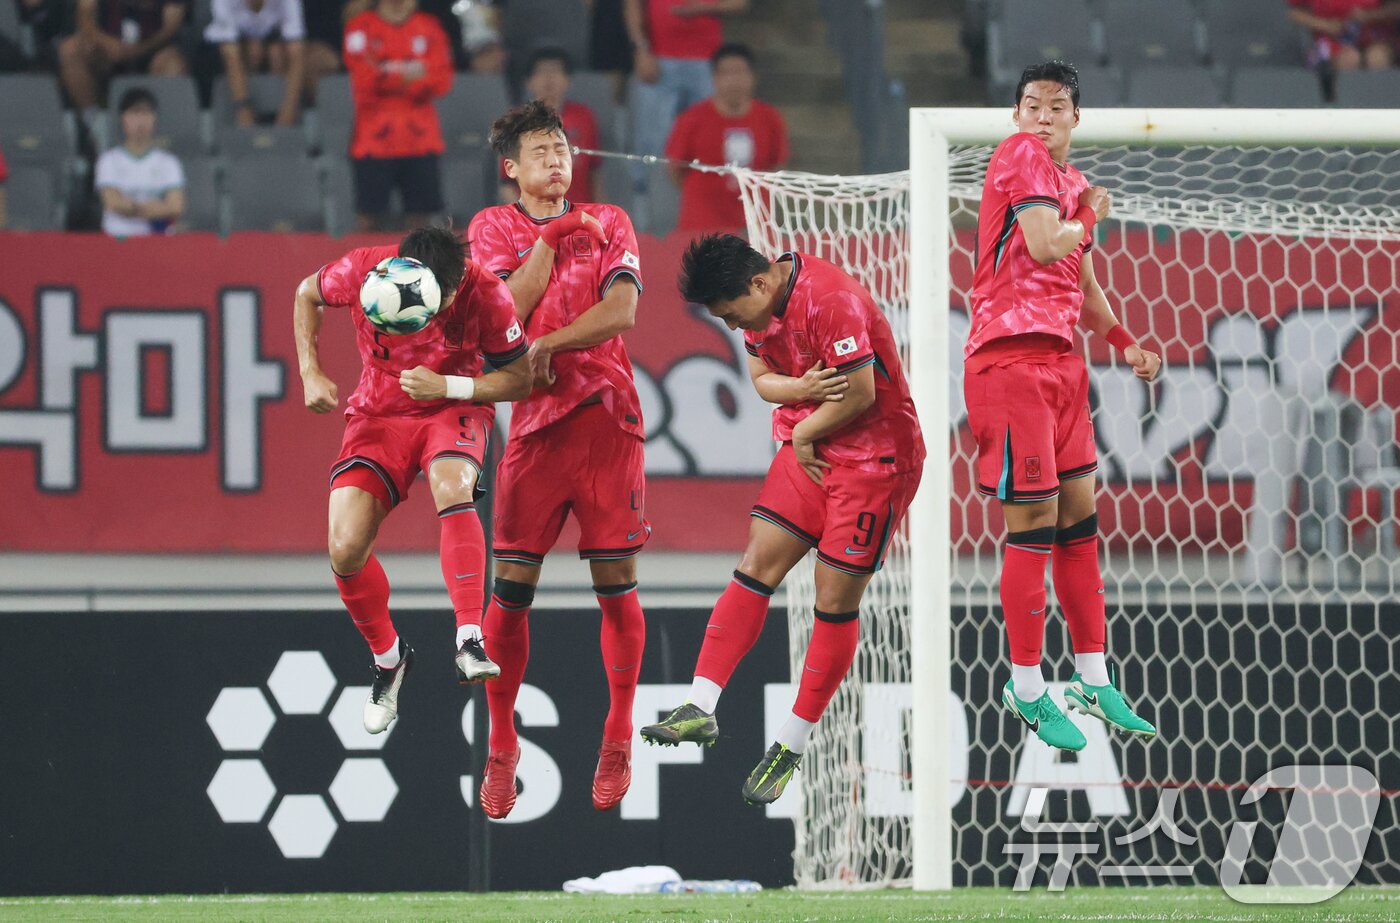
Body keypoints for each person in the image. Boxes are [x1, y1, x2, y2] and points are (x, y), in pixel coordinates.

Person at [640, 234, 925, 806]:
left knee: (833, 600)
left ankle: (790, 744)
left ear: (760, 284)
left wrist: (802, 427)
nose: (729, 325)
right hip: (811, 453)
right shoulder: (757, 305)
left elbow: (863, 392)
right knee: (754, 566)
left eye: (729, 313)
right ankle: (701, 704)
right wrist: (798, 395)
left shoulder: (831, 299)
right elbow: (761, 378)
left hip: (875, 462)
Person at [965, 61, 1159, 753]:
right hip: (1009, 358)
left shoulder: (1070, 182)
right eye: (1030, 105)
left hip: (1062, 362)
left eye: (1056, 107)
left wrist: (1126, 341)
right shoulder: (1020, 157)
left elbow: (1082, 281)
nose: (1042, 117)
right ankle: (1024, 683)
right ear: (1018, 116)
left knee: (1081, 520)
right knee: (1036, 523)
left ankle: (1092, 675)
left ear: (1076, 117)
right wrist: (1089, 214)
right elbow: (1050, 240)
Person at [466, 100, 647, 817]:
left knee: (617, 584)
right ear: (511, 168)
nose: (556, 157)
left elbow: (623, 311)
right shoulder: (493, 227)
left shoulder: (613, 221)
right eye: (540, 149)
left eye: (562, 146)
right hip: (534, 428)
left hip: (607, 418)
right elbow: (504, 308)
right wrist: (557, 236)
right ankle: (502, 742)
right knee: (509, 591)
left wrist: (552, 343)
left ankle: (618, 730)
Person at [293, 226, 532, 734]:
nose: (440, 309)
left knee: (452, 487)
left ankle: (469, 637)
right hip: (378, 416)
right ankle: (388, 660)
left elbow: (520, 378)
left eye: (446, 298)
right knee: (344, 548)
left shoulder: (486, 292)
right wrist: (310, 372)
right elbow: (306, 293)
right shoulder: (362, 271)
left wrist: (448, 384)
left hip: (452, 407)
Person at [623, 0, 748, 229]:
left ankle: (716, 213)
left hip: (705, 59)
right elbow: (632, 5)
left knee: (710, 140)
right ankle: (642, 216)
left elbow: (739, 4)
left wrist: (699, 8)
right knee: (651, 140)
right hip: (659, 57)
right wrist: (640, 49)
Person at [343, 0, 453, 231]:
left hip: (420, 139)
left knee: (421, 223)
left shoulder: (430, 27)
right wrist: (412, 73)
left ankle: (417, 267)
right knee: (368, 220)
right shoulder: (359, 27)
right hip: (372, 139)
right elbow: (363, 79)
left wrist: (386, 71)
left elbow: (441, 81)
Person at [664, 42, 787, 232]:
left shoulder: (770, 118)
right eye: (726, 73)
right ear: (714, 78)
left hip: (754, 228)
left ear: (752, 77)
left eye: (739, 72)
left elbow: (777, 165)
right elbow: (674, 169)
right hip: (702, 228)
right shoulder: (691, 119)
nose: (733, 80)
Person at [498, 48, 601, 204]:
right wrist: (526, 218)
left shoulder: (583, 116)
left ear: (568, 80)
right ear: (529, 82)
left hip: (579, 216)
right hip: (534, 218)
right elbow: (506, 184)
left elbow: (595, 172)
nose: (549, 78)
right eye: (541, 72)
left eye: (555, 71)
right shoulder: (517, 121)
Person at [58, 0, 188, 111]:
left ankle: (164, 130)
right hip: (106, 49)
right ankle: (94, 124)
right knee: (70, 50)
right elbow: (84, 15)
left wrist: (140, 49)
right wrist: (106, 43)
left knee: (173, 65)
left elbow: (171, 26)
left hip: (152, 50)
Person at [94, 86, 185, 237]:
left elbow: (176, 206)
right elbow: (112, 202)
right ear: (123, 118)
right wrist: (154, 209)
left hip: (157, 240)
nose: (140, 120)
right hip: (117, 238)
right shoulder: (108, 160)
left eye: (146, 113)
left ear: (154, 118)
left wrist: (130, 208)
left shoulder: (169, 162)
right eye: (135, 113)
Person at [205, 0, 308, 127]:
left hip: (269, 49)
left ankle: (278, 117)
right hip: (218, 56)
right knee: (252, 51)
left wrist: (289, 110)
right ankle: (244, 119)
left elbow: (297, 53)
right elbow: (230, 53)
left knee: (276, 54)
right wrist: (243, 109)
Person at [1288, 0, 1400, 72]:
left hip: (1376, 38)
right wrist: (1326, 25)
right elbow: (1290, 13)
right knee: (1350, 59)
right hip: (1331, 41)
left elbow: (1396, 8)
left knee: (1377, 58)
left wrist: (1369, 16)